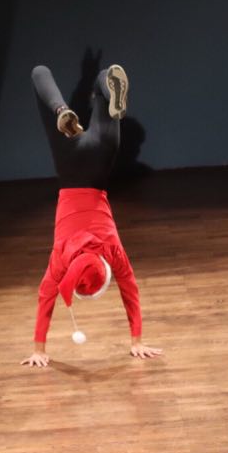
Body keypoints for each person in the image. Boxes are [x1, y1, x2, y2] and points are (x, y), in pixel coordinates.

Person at [21, 64, 162, 367]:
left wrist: (137, 338)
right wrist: (38, 348)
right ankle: (61, 109)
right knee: (39, 72)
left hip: (100, 160)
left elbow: (130, 288)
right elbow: (46, 296)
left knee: (101, 88)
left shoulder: (110, 249)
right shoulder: (62, 257)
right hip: (68, 163)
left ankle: (101, 85)